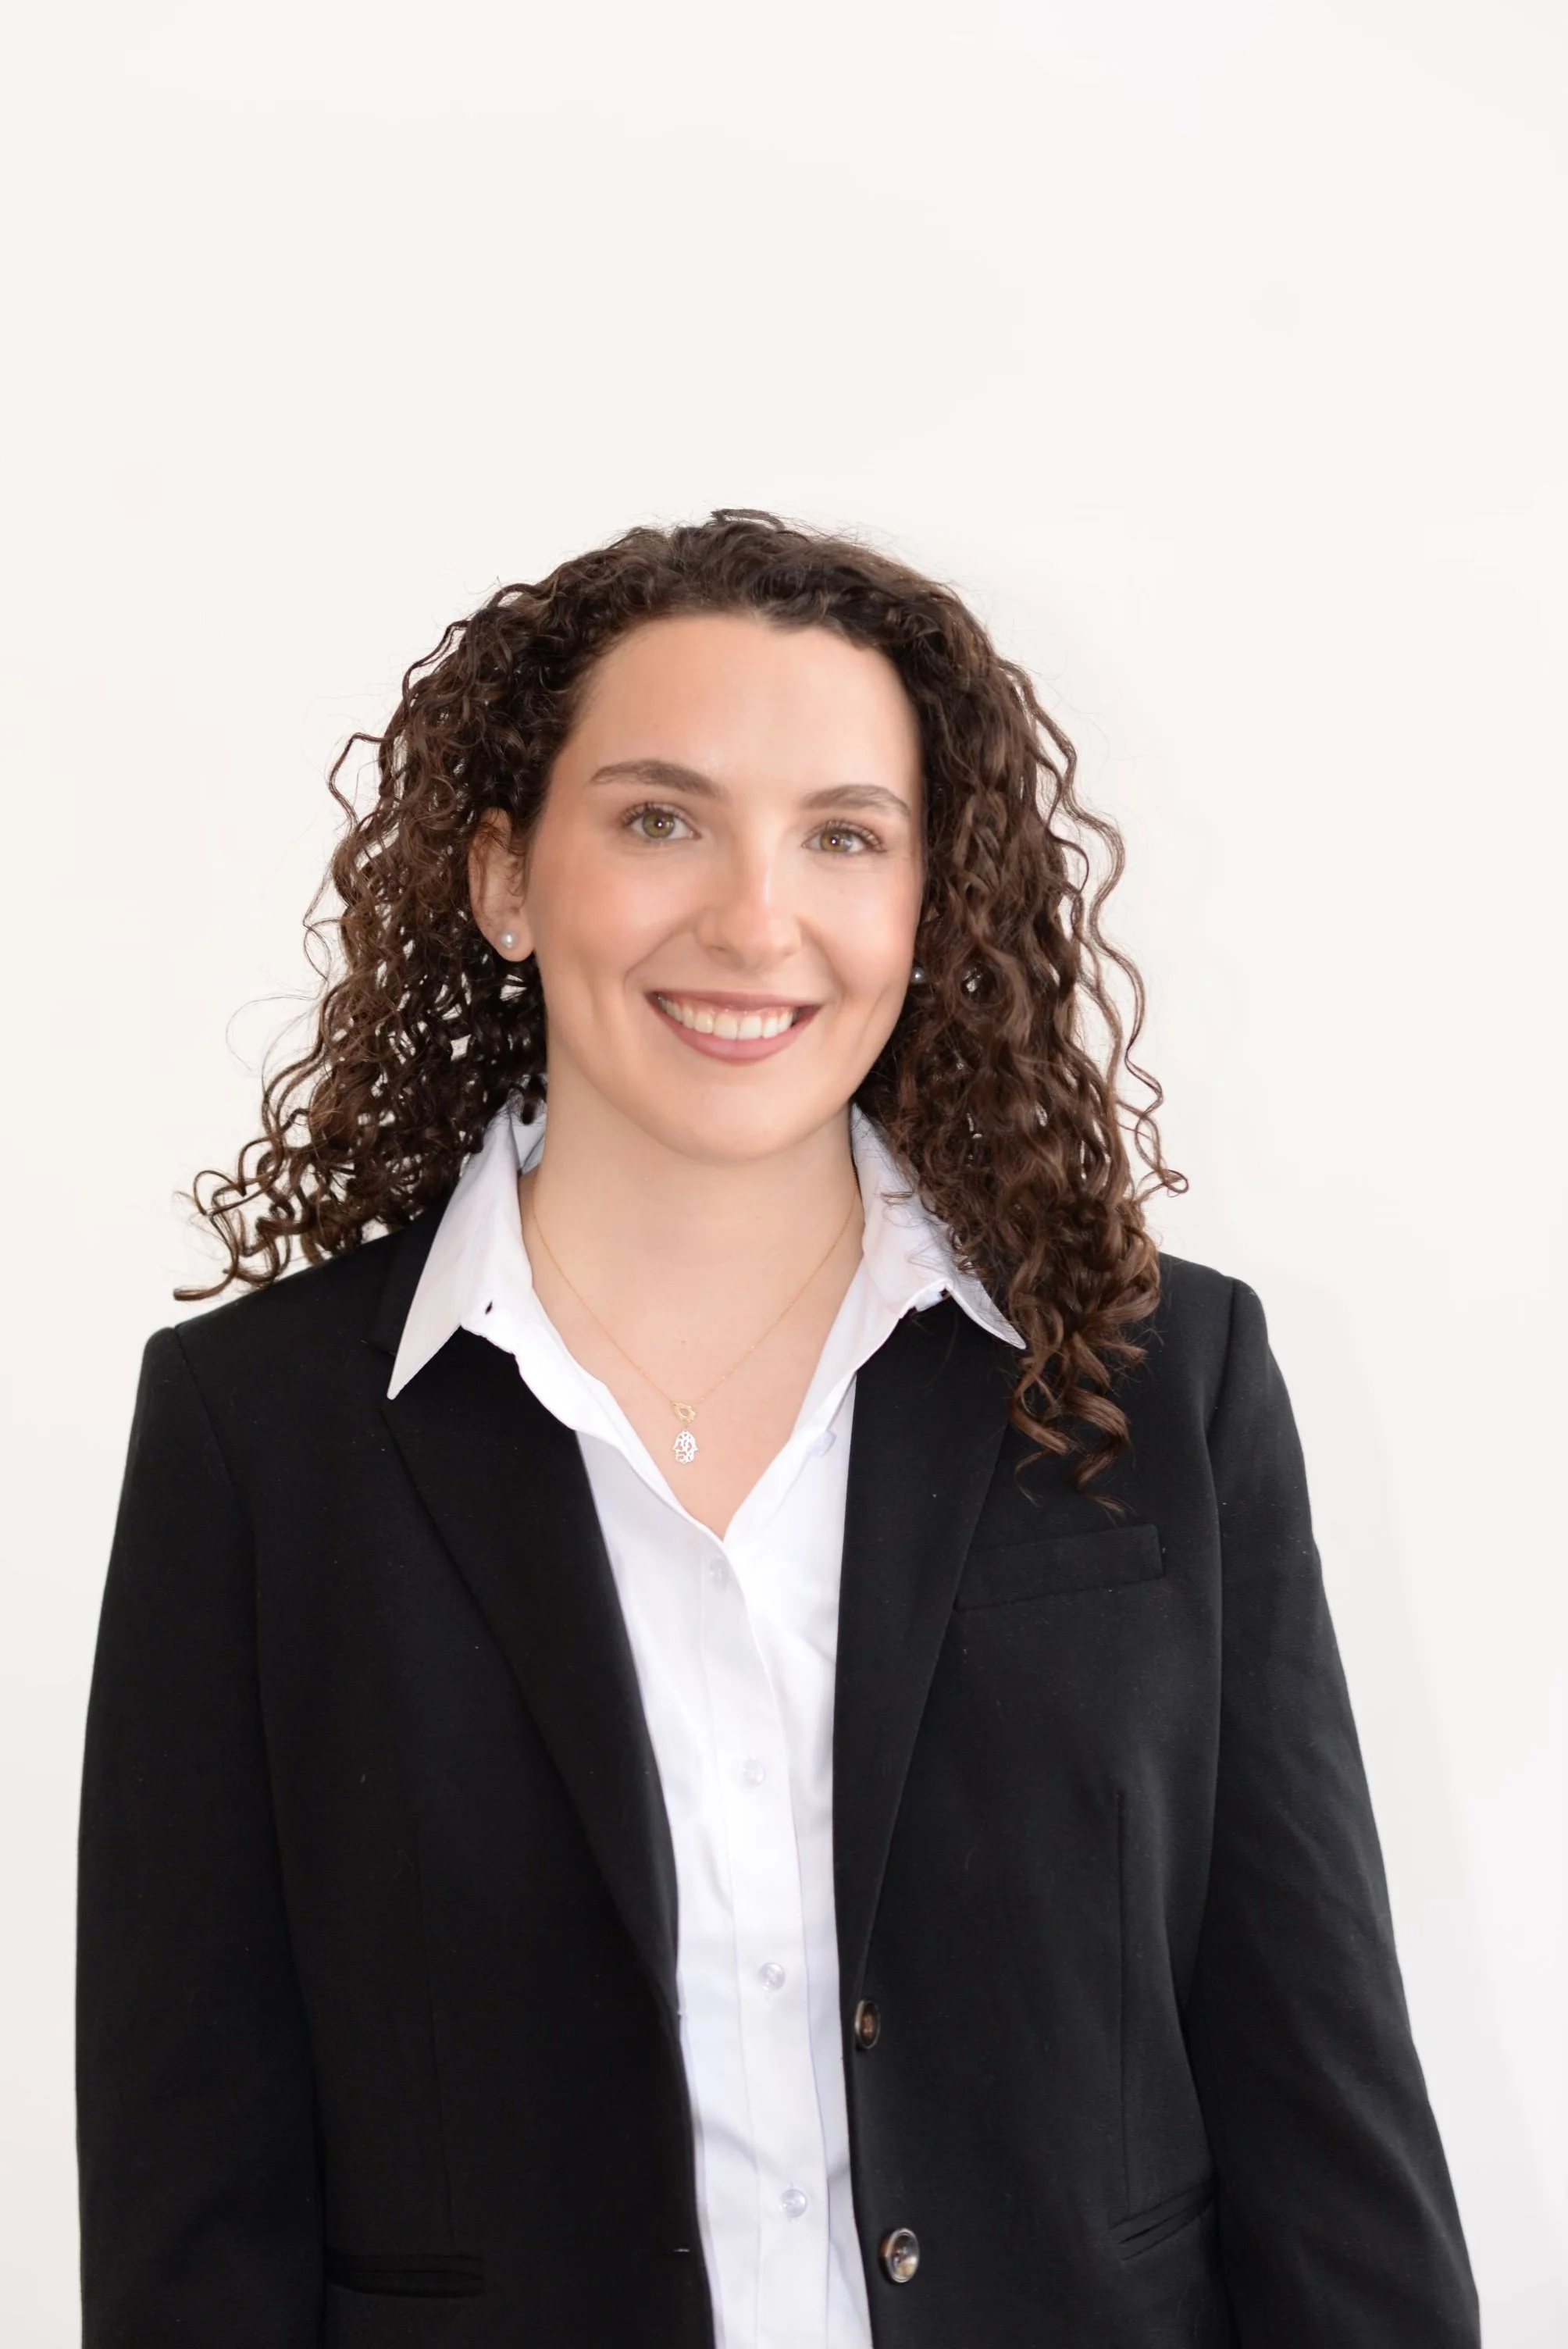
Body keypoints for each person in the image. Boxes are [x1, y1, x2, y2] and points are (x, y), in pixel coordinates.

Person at [77, 509, 1480, 2348]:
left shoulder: (1153, 1384)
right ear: (505, 878)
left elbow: (1321, 2104)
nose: (756, 918)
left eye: (842, 835)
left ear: (925, 901)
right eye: (660, 818)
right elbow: (196, 2198)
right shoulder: (262, 1436)